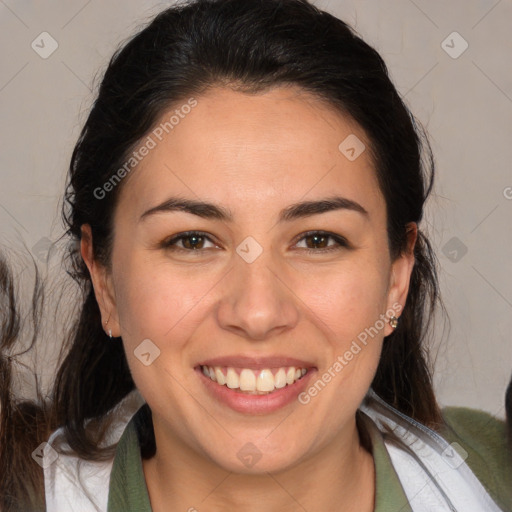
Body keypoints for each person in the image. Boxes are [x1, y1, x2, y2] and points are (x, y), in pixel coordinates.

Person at [0, 0, 510, 510]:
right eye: (192, 241)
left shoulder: (497, 472)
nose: (258, 312)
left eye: (318, 240)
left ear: (397, 277)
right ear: (104, 279)